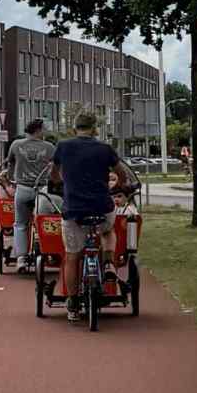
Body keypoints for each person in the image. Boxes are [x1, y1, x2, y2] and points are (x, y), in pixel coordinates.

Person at [50, 110, 119, 324]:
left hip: (74, 209)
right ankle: (108, 263)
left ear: (74, 128)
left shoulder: (63, 147)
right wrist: (120, 185)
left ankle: (72, 303)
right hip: (101, 207)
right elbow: (121, 173)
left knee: (72, 256)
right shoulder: (105, 149)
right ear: (95, 129)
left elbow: (54, 173)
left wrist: (60, 183)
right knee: (108, 230)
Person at [5, 119, 57, 274]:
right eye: (43, 129)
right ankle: (48, 250)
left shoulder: (16, 145)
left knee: (20, 223)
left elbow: (10, 163)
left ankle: (21, 258)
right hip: (42, 190)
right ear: (38, 130)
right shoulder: (49, 147)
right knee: (45, 220)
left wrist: (11, 178)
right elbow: (56, 168)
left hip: (22, 188)